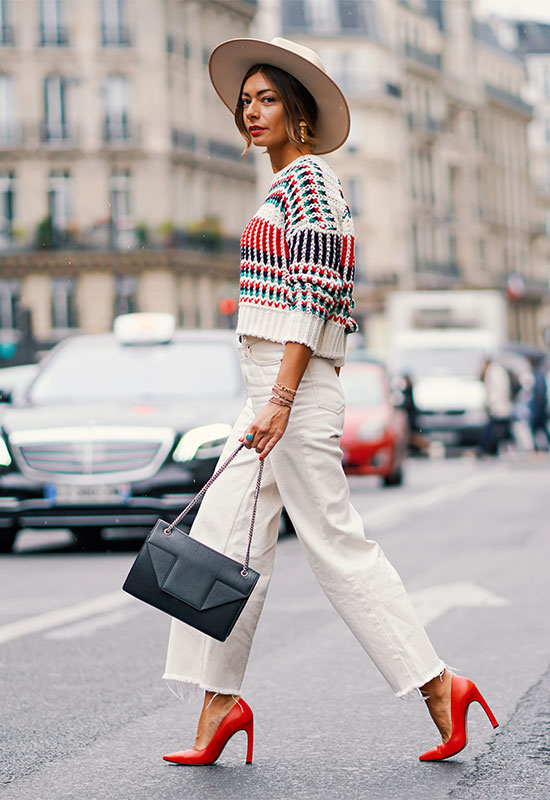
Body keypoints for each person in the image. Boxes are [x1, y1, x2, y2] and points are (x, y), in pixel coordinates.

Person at [161, 37, 498, 766]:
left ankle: (440, 686)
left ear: (299, 111)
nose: (253, 112)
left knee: (337, 548)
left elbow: (313, 299)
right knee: (223, 540)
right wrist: (268, 396)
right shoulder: (284, 186)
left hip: (295, 391)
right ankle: (218, 704)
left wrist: (281, 398)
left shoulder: (313, 182)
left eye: (268, 99)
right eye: (246, 101)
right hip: (269, 392)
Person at [478, 357, 513, 457]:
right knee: (500, 428)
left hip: (498, 406)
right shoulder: (498, 370)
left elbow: (495, 390)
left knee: (495, 429)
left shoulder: (493, 372)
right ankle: (493, 449)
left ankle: (488, 449)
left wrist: (491, 403)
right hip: (500, 405)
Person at [528, 357, 550, 452]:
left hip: (540, 407)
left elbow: (540, 393)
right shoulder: (539, 373)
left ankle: (536, 447)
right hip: (541, 406)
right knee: (541, 428)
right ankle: (537, 447)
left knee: (536, 427)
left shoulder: (538, 374)